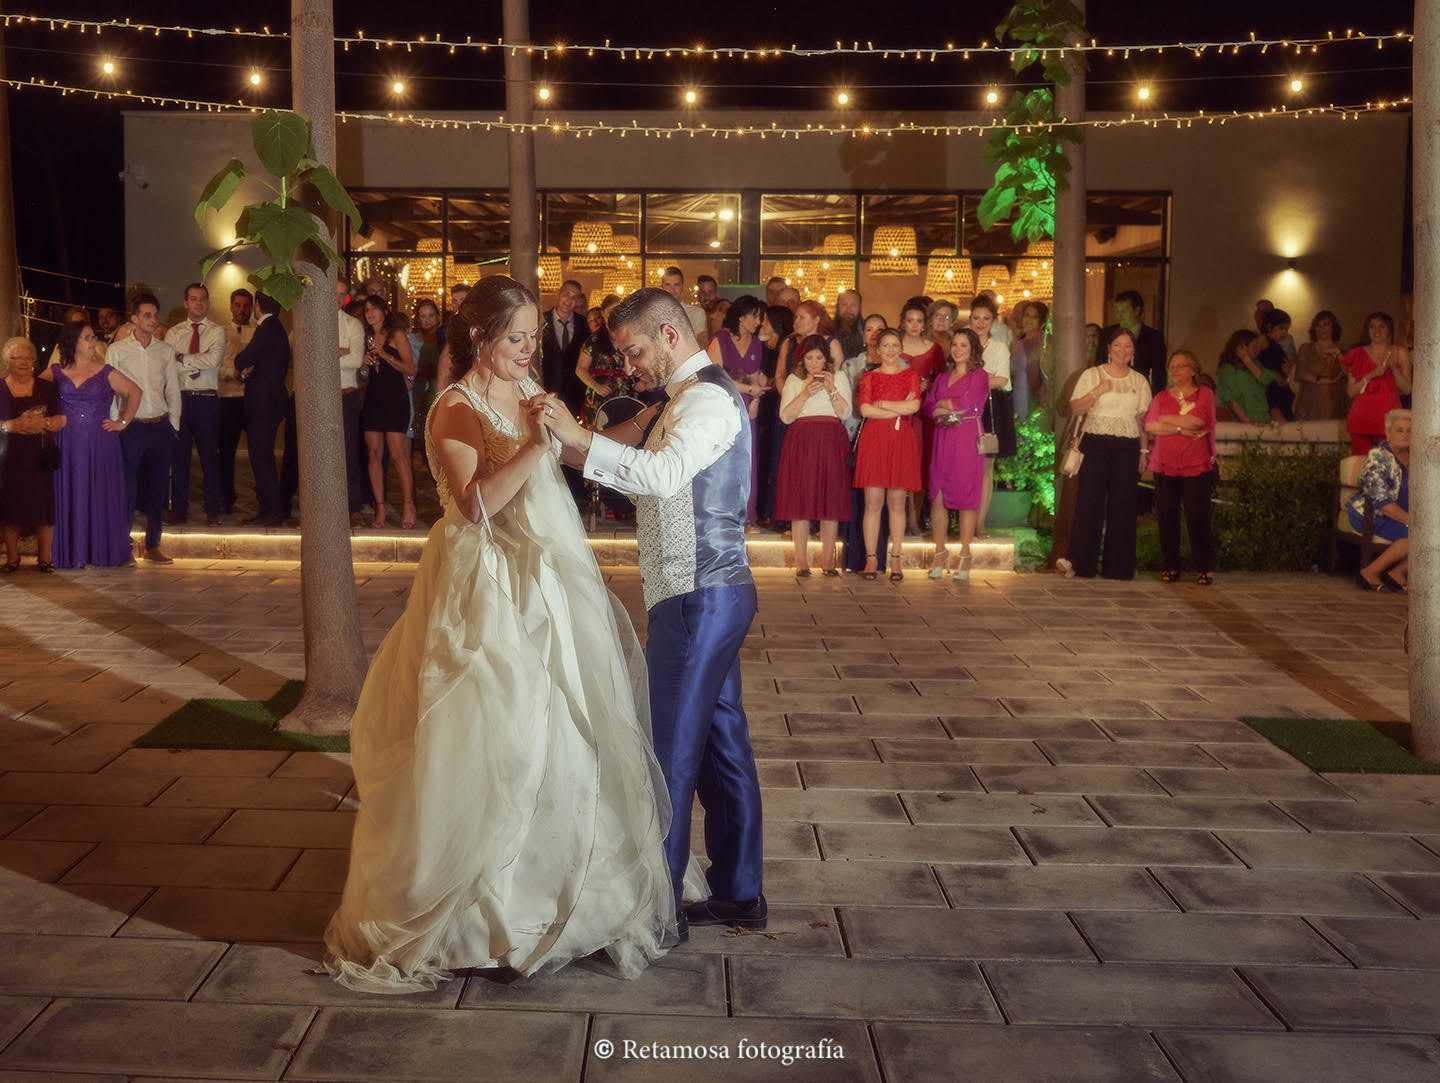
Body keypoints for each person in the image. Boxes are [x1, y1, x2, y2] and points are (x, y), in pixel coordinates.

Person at [323, 276, 684, 992]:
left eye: (529, 336)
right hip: (486, 588)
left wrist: (635, 423)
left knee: (566, 731)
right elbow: (474, 504)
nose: (528, 349)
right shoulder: (453, 410)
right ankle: (479, 913)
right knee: (498, 733)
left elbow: (574, 455)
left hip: (550, 580)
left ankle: (564, 895)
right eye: (516, 337)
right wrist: (539, 444)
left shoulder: (529, 396)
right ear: (481, 340)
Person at [544, 286, 766, 936]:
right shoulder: (677, 399)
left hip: (700, 599)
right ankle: (739, 892)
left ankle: (655, 910)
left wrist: (578, 436)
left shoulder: (707, 399)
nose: (628, 365)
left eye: (634, 349)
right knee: (724, 747)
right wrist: (562, 441)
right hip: (695, 595)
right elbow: (618, 463)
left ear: (670, 334)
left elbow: (662, 476)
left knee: (668, 752)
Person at [40, 321, 139, 568]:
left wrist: (122, 422)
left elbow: (135, 392)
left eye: (94, 337)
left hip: (100, 443)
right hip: (66, 442)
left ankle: (100, 552)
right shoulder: (55, 371)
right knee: (70, 492)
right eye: (88, 337)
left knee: (98, 492)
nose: (94, 341)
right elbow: (34, 390)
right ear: (73, 342)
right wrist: (45, 420)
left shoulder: (106, 371)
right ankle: (70, 553)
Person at [1060, 328, 1153, 580]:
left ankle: (1119, 568)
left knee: (1123, 504)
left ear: (1133, 351)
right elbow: (1074, 407)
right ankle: (1080, 563)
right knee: (1089, 501)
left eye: (1128, 346)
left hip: (1128, 445)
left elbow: (1142, 420)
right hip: (1095, 442)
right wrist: (1096, 391)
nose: (1122, 350)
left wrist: (1144, 450)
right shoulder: (1092, 375)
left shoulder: (1140, 381)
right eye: (1117, 345)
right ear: (1108, 348)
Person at [106, 294, 181, 564]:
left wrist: (173, 424)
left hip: (160, 426)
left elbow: (172, 388)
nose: (153, 320)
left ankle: (153, 545)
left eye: (154, 315)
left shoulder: (165, 350)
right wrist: (118, 423)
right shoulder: (118, 350)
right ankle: (123, 546)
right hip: (132, 428)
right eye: (147, 315)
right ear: (134, 319)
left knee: (158, 489)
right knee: (127, 489)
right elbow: (112, 390)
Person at [775, 334, 852, 576]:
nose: (815, 363)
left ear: (826, 358)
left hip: (831, 438)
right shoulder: (794, 380)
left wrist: (831, 390)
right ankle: (801, 563)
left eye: (819, 357)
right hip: (802, 439)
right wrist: (805, 394)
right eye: (809, 357)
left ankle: (828, 562)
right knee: (801, 498)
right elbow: (786, 416)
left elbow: (845, 413)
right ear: (802, 359)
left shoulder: (838, 376)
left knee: (830, 498)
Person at [1143, 349, 1217, 585]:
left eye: (1180, 366)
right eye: (1171, 367)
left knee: (1198, 516)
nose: (1174, 370)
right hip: (1165, 463)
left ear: (1193, 369)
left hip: (1195, 462)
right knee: (1167, 516)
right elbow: (1150, 426)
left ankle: (1203, 567)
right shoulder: (1161, 397)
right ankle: (1171, 566)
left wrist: (1165, 419)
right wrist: (1178, 429)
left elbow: (1198, 421)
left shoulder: (1203, 394)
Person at [853, 328, 921, 582]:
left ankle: (896, 559)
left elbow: (914, 405)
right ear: (878, 349)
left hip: (901, 441)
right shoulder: (869, 376)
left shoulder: (910, 375)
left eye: (895, 345)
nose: (891, 350)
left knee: (896, 503)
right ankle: (871, 559)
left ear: (900, 348)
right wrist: (897, 408)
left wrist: (885, 405)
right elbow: (865, 410)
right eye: (886, 346)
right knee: (872, 503)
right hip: (874, 440)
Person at [924, 328, 989, 581]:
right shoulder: (942, 378)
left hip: (966, 438)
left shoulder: (979, 375)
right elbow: (929, 406)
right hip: (943, 437)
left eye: (963, 345)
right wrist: (942, 406)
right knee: (937, 495)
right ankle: (940, 555)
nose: (958, 349)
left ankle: (965, 556)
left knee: (965, 497)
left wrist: (944, 404)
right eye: (955, 344)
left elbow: (968, 403)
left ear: (973, 348)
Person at [0, 337, 65, 571]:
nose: (25, 362)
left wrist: (45, 421)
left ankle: (45, 559)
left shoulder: (46, 388)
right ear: (7, 362)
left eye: (29, 358)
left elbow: (61, 419)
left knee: (43, 506)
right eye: (19, 358)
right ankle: (13, 559)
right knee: (10, 507)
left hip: (40, 456)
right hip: (8, 457)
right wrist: (9, 426)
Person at [164, 283, 226, 526]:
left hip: (206, 400)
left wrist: (182, 359)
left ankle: (212, 510)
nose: (198, 303)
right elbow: (169, 365)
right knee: (179, 457)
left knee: (210, 456)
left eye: (202, 299)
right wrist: (194, 361)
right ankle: (179, 509)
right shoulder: (174, 333)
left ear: (208, 303)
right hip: (180, 400)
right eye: (193, 299)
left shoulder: (217, 331)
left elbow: (213, 360)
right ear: (186, 303)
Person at [707, 295, 767, 526]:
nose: (758, 322)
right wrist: (750, 389)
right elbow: (715, 377)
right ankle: (719, 514)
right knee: (723, 458)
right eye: (755, 316)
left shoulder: (755, 342)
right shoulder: (720, 338)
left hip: (747, 402)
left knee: (746, 459)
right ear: (741, 316)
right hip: (722, 403)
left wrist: (756, 399)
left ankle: (745, 515)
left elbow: (755, 375)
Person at [359, 295, 418, 530]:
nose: (370, 313)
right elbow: (364, 377)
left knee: (397, 455)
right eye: (366, 310)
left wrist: (385, 355)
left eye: (374, 309)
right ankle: (380, 507)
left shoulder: (396, 335)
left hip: (395, 400)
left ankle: (408, 504)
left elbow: (411, 368)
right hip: (373, 399)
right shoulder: (366, 337)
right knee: (373, 454)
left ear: (384, 311)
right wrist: (364, 366)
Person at [232, 291, 291, 526]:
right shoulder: (277, 328)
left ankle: (271, 511)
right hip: (271, 400)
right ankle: (270, 509)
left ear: (257, 305)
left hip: (264, 403)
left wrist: (244, 365)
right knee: (262, 456)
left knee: (261, 457)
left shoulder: (267, 327)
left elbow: (241, 359)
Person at [968, 294, 1015, 534]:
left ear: (993, 321)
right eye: (976, 317)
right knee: (964, 466)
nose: (980, 323)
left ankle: (979, 522)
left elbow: (1002, 380)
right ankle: (964, 519)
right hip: (964, 407)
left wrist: (973, 380)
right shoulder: (962, 343)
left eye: (986, 318)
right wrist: (985, 379)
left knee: (986, 467)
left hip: (990, 408)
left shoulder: (999, 347)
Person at [1351, 409, 1412, 591]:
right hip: (1373, 515)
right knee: (1424, 535)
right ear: (1388, 433)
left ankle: (1398, 573)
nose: (1405, 434)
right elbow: (1381, 501)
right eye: (1399, 430)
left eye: (1410, 430)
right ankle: (1369, 572)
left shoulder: (1418, 457)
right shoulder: (1378, 457)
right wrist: (1414, 521)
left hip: (1403, 516)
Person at [1343, 312, 1412, 455]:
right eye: (1372, 327)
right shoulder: (1357, 353)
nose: (1376, 331)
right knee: (1361, 463)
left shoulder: (1401, 353)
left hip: (1390, 418)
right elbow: (1351, 391)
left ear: (1389, 330)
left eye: (1381, 326)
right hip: (1362, 416)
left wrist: (1393, 368)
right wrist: (1372, 374)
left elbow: (1407, 389)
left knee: (1391, 462)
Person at [217, 288, 254, 519]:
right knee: (225, 452)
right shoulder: (220, 333)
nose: (241, 310)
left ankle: (264, 501)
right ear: (231, 306)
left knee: (259, 452)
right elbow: (214, 367)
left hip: (252, 399)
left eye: (246, 306)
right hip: (228, 399)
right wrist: (234, 373)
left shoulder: (259, 331)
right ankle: (225, 498)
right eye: (238, 305)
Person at [756, 304, 793, 521]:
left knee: (776, 458)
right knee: (763, 458)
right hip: (763, 407)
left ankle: (775, 511)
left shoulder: (786, 347)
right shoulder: (761, 346)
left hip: (779, 405)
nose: (763, 323)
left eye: (767, 320)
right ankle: (763, 510)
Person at [1097, 290, 1167, 394]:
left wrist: (1154, 397)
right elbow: (1099, 364)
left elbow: (1159, 373)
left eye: (1123, 311)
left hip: (1140, 391)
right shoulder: (1107, 334)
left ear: (1136, 310)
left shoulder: (1153, 337)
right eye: (1117, 311)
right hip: (1110, 390)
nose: (1118, 316)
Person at [541, 279, 589, 415]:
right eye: (566, 294)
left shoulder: (584, 324)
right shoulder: (541, 320)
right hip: (547, 390)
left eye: (574, 297)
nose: (569, 300)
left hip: (576, 392)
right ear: (558, 294)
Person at [1215, 329, 1278, 425]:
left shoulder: (1255, 365)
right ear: (1241, 347)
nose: (1257, 350)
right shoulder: (1228, 369)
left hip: (1262, 421)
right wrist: (1249, 424)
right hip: (1241, 424)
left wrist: (1247, 361)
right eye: (1254, 347)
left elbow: (1267, 379)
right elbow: (1231, 401)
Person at [1295, 311, 1347, 421]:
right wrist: (1325, 380)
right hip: (1310, 400)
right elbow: (1301, 373)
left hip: (1336, 401)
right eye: (1318, 325)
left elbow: (1350, 373)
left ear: (1333, 326)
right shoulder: (1306, 348)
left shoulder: (1344, 349)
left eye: (1326, 324)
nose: (1321, 329)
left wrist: (1338, 354)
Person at [1011, 300, 1049, 421]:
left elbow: (1048, 376)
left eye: (1034, 317)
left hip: (1033, 399)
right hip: (1017, 396)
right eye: (1027, 315)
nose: (1029, 319)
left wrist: (1041, 404)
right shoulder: (1020, 342)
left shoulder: (1045, 343)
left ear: (1041, 320)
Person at [1257, 308, 1296, 421]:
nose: (1284, 332)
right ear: (1269, 326)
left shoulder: (1276, 344)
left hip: (1280, 391)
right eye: (1281, 328)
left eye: (1286, 329)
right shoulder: (1263, 339)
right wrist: (1273, 375)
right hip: (1271, 392)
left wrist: (1285, 372)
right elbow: (1254, 363)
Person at [659, 266, 709, 345]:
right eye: (668, 285)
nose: (672, 290)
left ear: (682, 286)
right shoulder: (654, 314)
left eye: (676, 285)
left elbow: (702, 345)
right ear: (662, 287)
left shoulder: (696, 314)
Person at [833, 289, 865, 359]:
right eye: (844, 304)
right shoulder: (827, 330)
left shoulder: (867, 330)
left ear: (860, 308)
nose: (848, 310)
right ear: (837, 306)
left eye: (853, 305)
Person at [697, 274, 730, 342]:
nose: (706, 297)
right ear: (698, 295)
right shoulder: (695, 316)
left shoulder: (725, 314)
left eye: (710, 292)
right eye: (703, 293)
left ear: (717, 294)